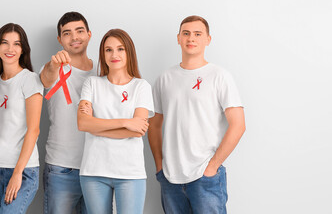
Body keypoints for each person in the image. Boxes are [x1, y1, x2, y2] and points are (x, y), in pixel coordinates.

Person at [149, 15, 246, 214]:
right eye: (186, 33)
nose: (191, 38)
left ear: (208, 39)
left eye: (197, 34)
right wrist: (159, 166)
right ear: (178, 38)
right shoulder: (164, 78)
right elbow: (154, 124)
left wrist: (212, 167)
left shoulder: (220, 76)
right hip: (170, 178)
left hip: (205, 178)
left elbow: (238, 125)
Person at [77, 29, 154, 214]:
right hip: (93, 171)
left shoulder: (141, 86)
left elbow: (138, 130)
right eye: (108, 50)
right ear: (103, 54)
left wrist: (97, 126)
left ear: (129, 52)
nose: (114, 55)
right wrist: (126, 122)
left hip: (130, 173)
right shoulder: (92, 83)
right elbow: (83, 124)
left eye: (120, 49)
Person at [40, 11, 95, 214]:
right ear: (59, 39)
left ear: (89, 34)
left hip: (96, 168)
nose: (74, 37)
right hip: (60, 168)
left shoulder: (102, 72)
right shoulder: (54, 68)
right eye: (67, 33)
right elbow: (46, 79)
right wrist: (54, 64)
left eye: (79, 31)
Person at [0, 23, 43, 213]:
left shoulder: (29, 79)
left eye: (16, 44)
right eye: (5, 43)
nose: (10, 49)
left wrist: (17, 173)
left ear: (23, 49)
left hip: (23, 170)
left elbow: (34, 130)